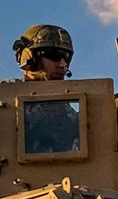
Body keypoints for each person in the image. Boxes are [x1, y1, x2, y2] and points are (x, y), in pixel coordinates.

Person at [13, 24, 83, 154]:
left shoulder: (65, 109)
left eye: (67, 57)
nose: (63, 64)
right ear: (31, 57)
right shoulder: (8, 101)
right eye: (54, 55)